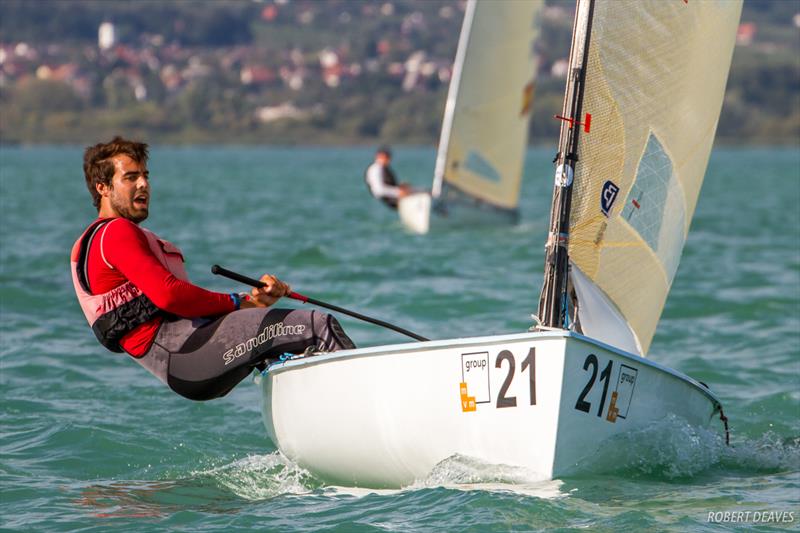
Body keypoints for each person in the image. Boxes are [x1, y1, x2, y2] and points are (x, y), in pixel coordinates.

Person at [71, 136, 355, 401]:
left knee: (290, 346)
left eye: (145, 176)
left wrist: (252, 303)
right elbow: (170, 297)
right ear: (103, 187)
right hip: (188, 355)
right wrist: (237, 301)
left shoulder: (94, 241)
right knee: (318, 326)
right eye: (131, 177)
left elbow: (182, 307)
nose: (144, 184)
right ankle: (366, 410)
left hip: (189, 359)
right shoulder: (117, 233)